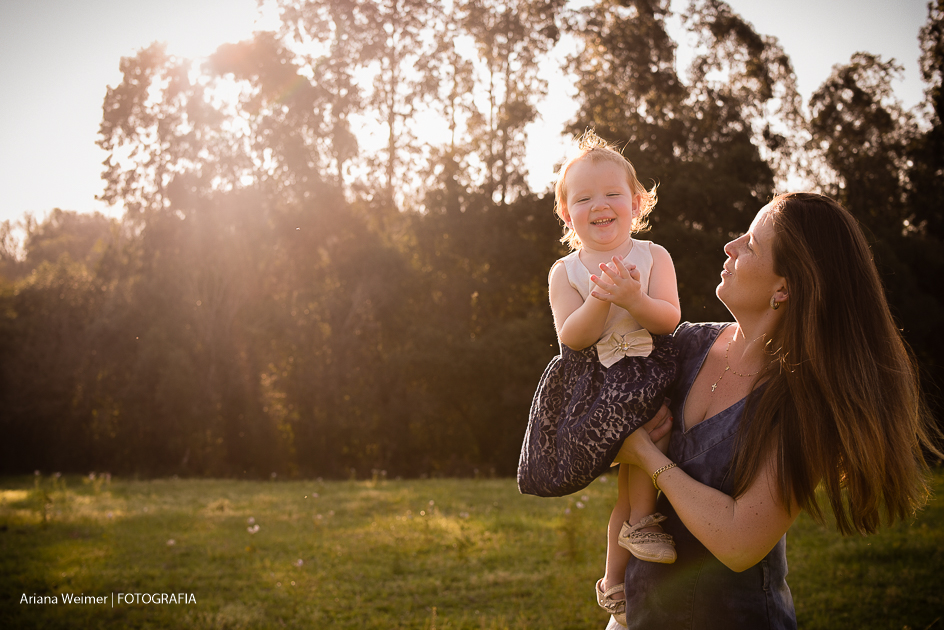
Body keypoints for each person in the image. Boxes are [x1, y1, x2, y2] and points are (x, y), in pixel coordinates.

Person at [605, 192, 942, 629]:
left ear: (783, 288)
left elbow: (740, 541)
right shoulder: (684, 345)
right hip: (640, 617)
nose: (731, 246)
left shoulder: (807, 403)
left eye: (752, 244)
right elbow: (603, 439)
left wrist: (648, 457)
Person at [516, 130, 681, 626]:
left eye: (612, 194)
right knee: (636, 440)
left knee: (637, 465)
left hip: (650, 370)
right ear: (567, 214)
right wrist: (602, 298)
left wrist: (635, 299)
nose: (600, 205)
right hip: (597, 384)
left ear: (635, 203)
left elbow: (670, 319)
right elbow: (571, 337)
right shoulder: (565, 271)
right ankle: (640, 527)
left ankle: (616, 580)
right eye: (584, 198)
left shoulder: (654, 257)